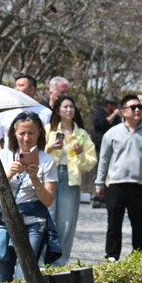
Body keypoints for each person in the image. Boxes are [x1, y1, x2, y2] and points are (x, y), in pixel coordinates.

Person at [0, 111, 60, 282]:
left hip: (34, 222)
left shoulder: (47, 161)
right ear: (14, 133)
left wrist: (35, 178)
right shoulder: (3, 155)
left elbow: (48, 201)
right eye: (22, 133)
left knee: (24, 276)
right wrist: (8, 174)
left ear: (40, 132)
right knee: (0, 278)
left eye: (31, 133)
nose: (26, 138)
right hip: (5, 221)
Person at [94, 93, 142, 261]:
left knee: (140, 224)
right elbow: (104, 159)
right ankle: (112, 256)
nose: (137, 110)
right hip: (117, 184)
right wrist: (99, 183)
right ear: (123, 111)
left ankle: (138, 256)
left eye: (140, 107)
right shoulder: (112, 133)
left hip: (139, 184)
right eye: (133, 107)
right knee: (114, 223)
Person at [45, 94, 96, 266]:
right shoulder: (48, 131)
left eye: (71, 107)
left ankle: (59, 263)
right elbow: (35, 153)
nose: (69, 110)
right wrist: (49, 148)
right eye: (65, 107)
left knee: (66, 222)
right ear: (57, 110)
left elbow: (90, 162)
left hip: (70, 179)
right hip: (49, 177)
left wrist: (80, 152)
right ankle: (43, 260)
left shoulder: (81, 134)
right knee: (47, 218)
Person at [0, 74, 51, 150]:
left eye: (20, 86)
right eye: (15, 86)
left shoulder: (46, 113)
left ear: (32, 90)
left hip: (37, 159)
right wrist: (1, 153)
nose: (16, 89)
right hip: (9, 159)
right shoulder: (4, 110)